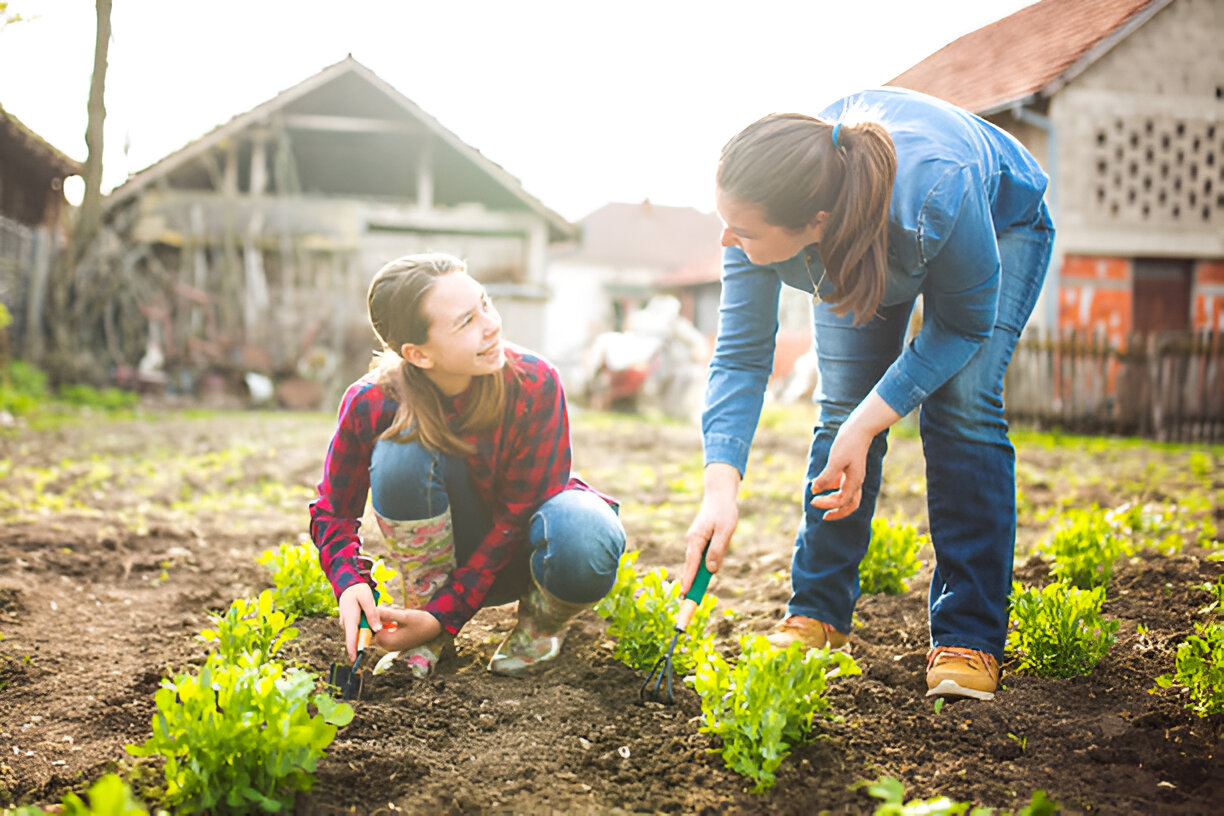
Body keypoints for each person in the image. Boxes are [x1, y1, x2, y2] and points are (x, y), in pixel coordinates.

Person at [682, 88, 1054, 700]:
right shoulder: (759, 216)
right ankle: (818, 614)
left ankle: (968, 635)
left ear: (814, 225)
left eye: (742, 230)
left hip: (998, 220)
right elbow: (741, 356)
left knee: (961, 405)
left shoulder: (937, 192)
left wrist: (868, 425)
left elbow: (961, 326)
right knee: (842, 405)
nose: (726, 240)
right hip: (860, 230)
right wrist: (719, 492)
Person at [310, 252, 625, 679]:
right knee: (401, 450)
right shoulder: (372, 403)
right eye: (466, 322)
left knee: (586, 532)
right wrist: (349, 583)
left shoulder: (533, 383)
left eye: (485, 304)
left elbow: (516, 518)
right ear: (418, 354)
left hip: (524, 555)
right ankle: (426, 623)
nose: (491, 324)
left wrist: (446, 614)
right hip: (442, 561)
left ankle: (540, 623)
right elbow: (333, 512)